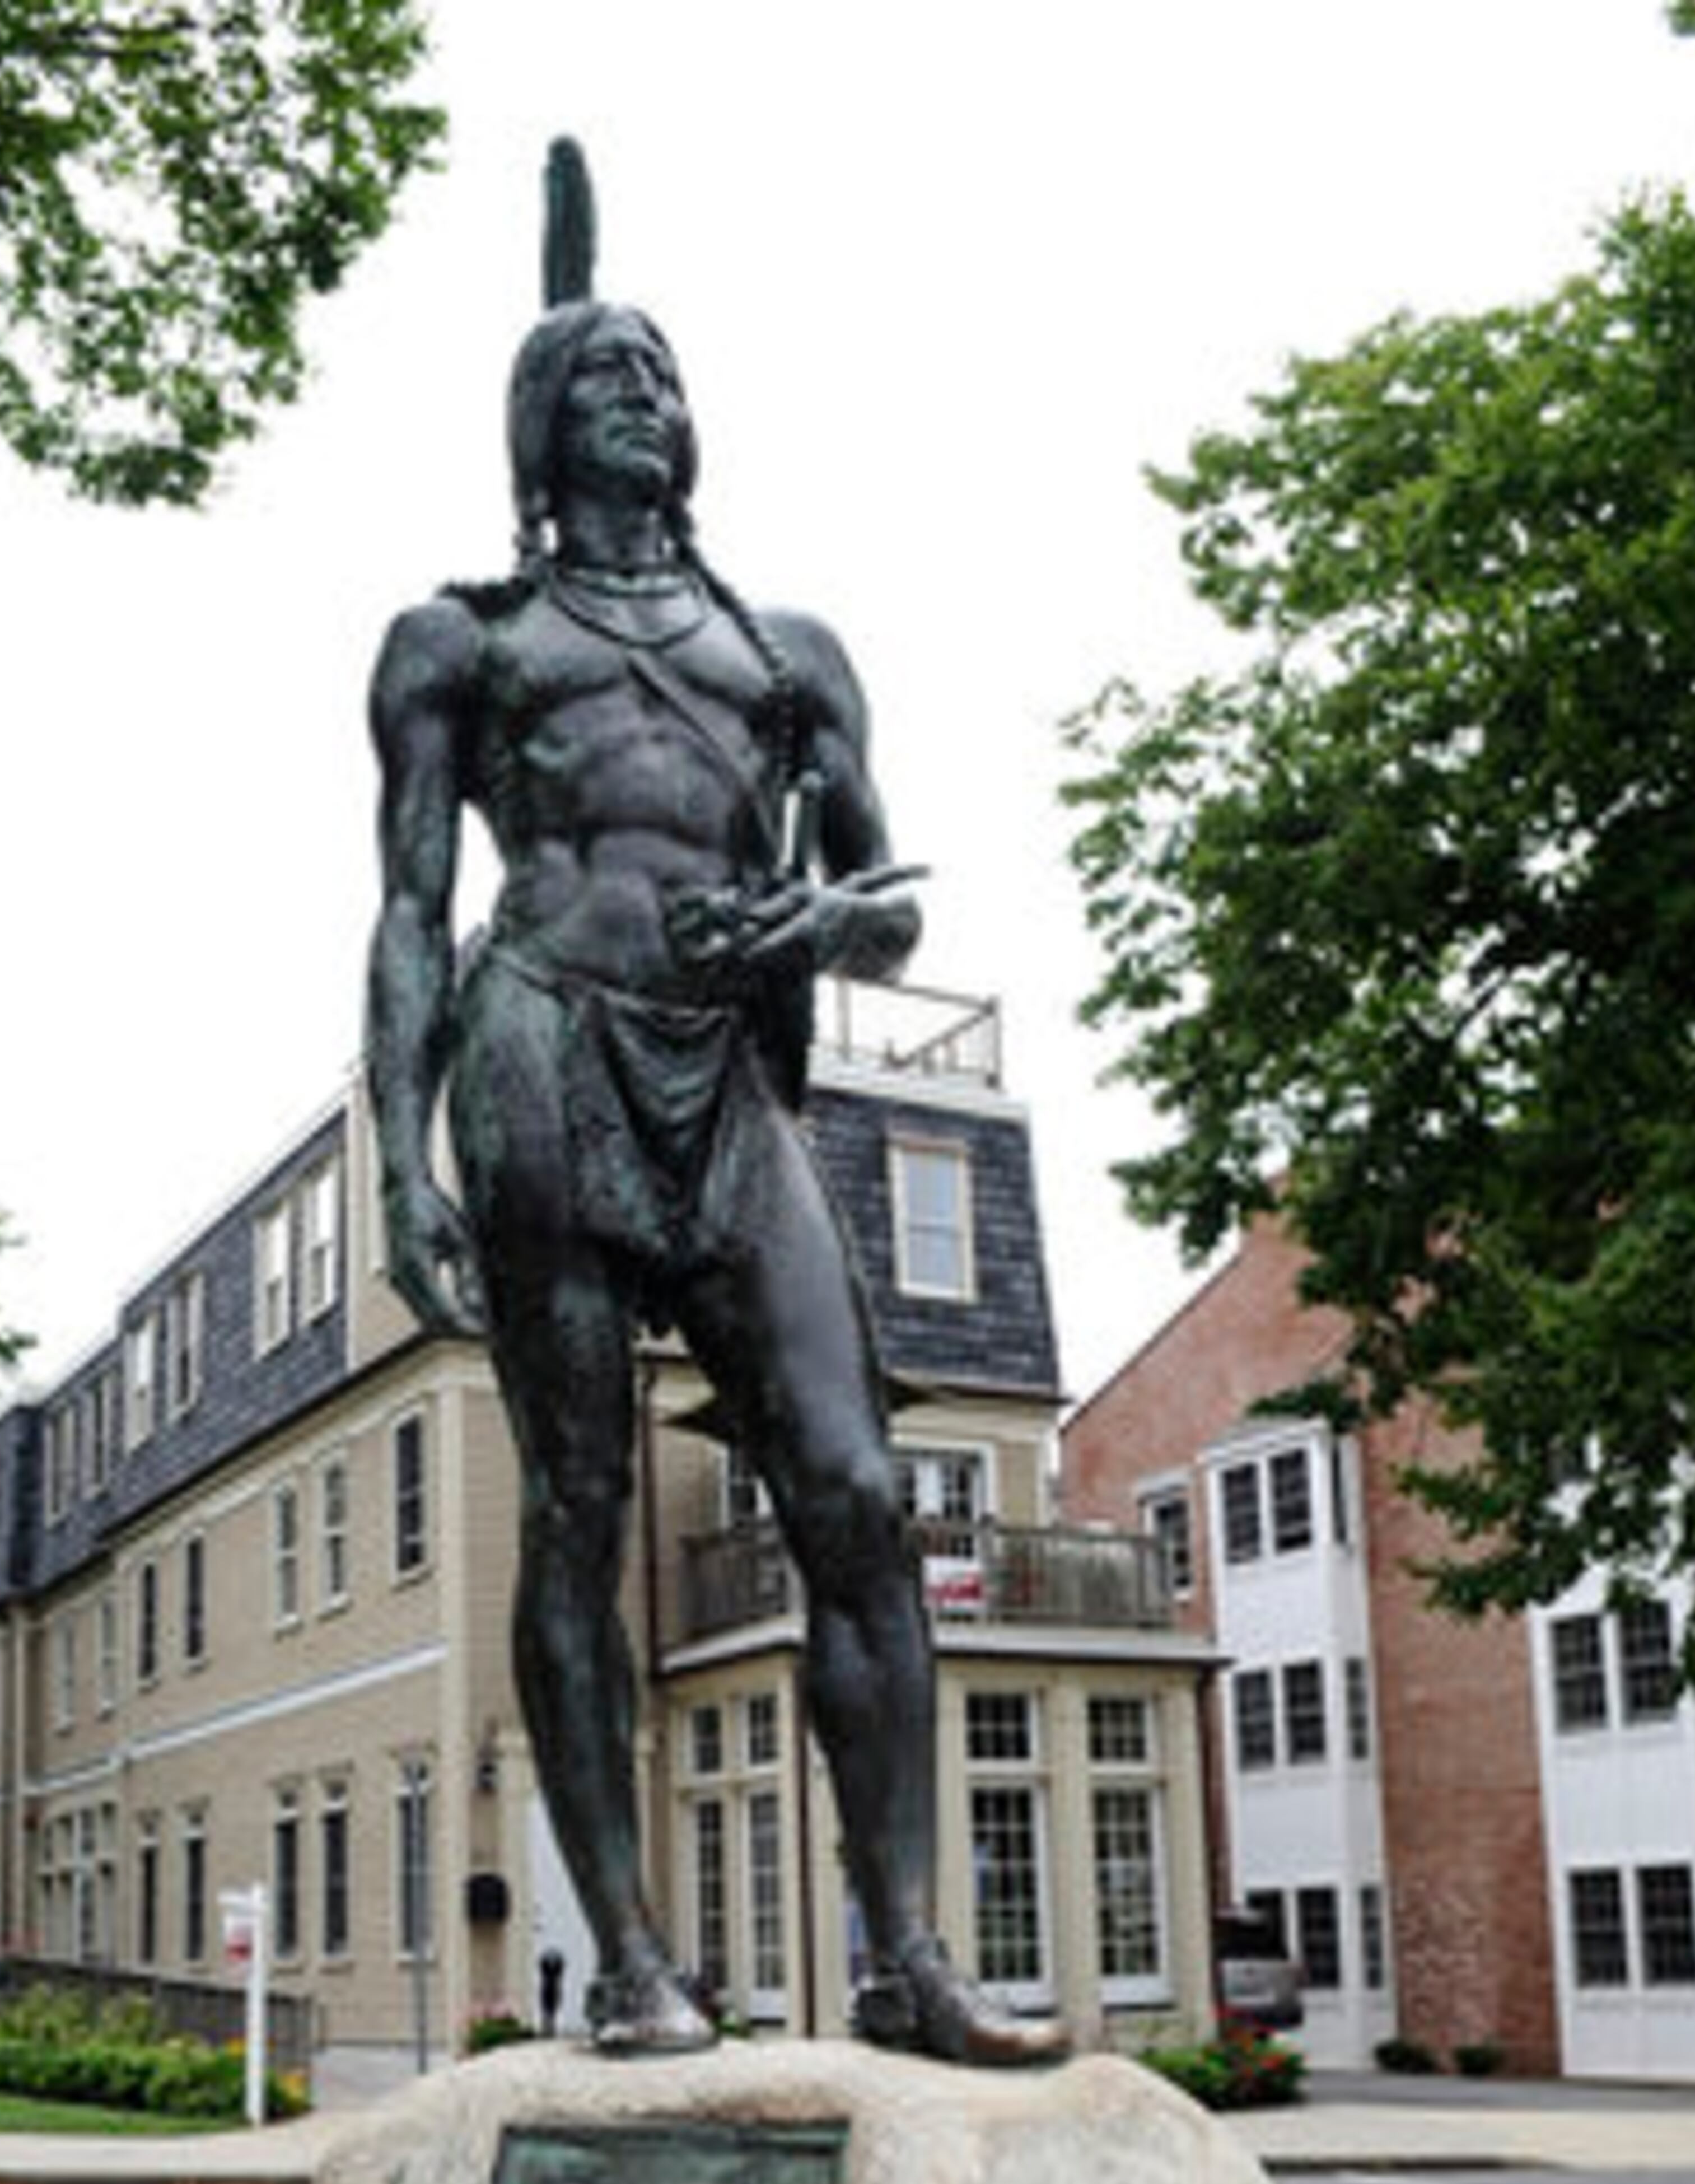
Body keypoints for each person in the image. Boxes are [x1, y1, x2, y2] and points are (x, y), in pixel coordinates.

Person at [362, 154, 1069, 2070]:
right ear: (540, 421)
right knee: (581, 1505)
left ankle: (907, 1949)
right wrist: (397, 1164)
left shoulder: (790, 655)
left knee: (848, 1482)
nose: (643, 395)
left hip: (727, 1079)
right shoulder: (465, 642)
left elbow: (892, 890)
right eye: (604, 373)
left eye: (664, 374)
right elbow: (414, 912)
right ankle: (635, 1962)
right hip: (542, 1046)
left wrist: (828, 914)